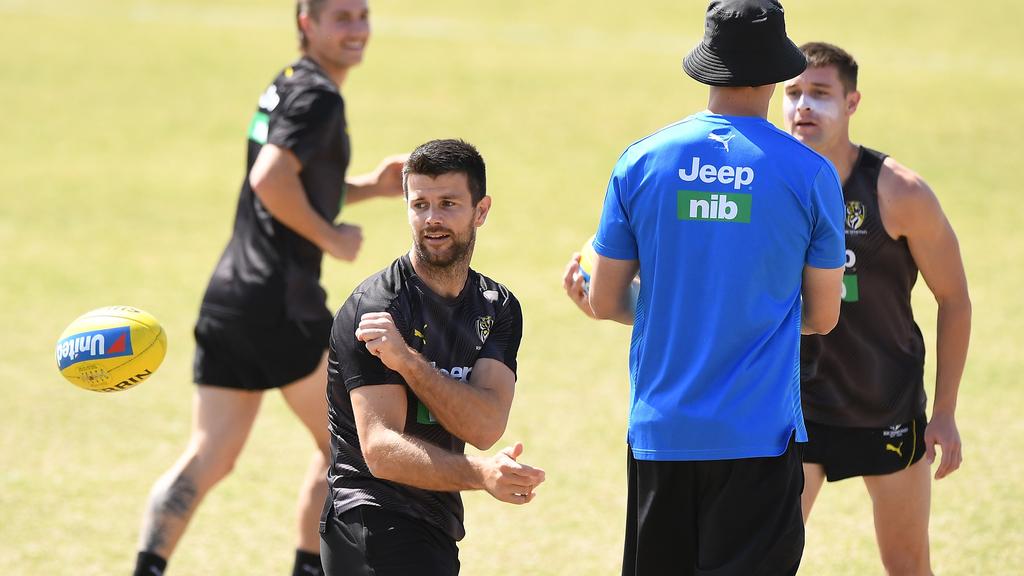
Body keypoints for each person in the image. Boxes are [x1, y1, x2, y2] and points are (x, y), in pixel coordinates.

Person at [566, 1, 846, 573]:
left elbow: (606, 300)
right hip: (759, 437)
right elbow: (821, 315)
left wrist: (666, 303)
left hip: (662, 435)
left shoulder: (641, 161)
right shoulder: (810, 173)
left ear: (708, 66)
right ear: (776, 74)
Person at [131, 2, 406, 575]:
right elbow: (270, 180)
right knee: (347, 446)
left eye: (362, 15)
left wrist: (365, 189)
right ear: (307, 23)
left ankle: (146, 567)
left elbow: (291, 184)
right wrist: (330, 237)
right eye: (342, 18)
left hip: (229, 296)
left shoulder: (284, 84)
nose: (356, 29)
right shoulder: (320, 97)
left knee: (209, 456)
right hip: (282, 303)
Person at [784, 42, 971, 575]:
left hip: (884, 406)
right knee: (765, 563)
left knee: (908, 566)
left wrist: (946, 413)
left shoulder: (899, 192)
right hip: (796, 409)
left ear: (852, 102)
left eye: (820, 94)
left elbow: (954, 299)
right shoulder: (768, 184)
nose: (803, 106)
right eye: (794, 92)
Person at [321, 139, 545, 576]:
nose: (432, 220)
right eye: (420, 204)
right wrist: (481, 474)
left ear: (480, 211)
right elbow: (381, 451)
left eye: (448, 204)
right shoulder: (376, 308)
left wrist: (408, 361)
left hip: (435, 526)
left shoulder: (496, 306)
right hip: (368, 522)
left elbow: (484, 427)